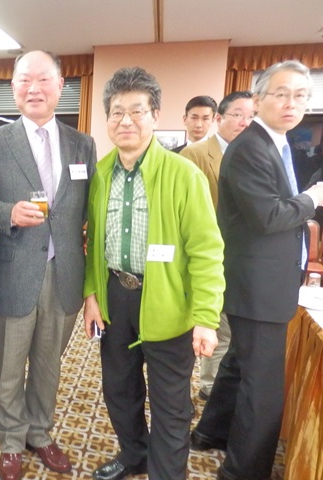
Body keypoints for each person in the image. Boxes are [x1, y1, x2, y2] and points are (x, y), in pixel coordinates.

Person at [82, 66, 225, 480]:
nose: (125, 120)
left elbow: (206, 251)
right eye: (116, 112)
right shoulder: (100, 174)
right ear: (107, 119)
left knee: (170, 404)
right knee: (119, 390)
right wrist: (91, 295)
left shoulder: (184, 174)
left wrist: (205, 317)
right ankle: (134, 455)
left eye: (137, 111)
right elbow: (93, 243)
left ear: (155, 116)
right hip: (115, 297)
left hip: (168, 299)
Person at [190, 60, 323, 480]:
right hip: (257, 285)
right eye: (281, 94)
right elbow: (268, 216)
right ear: (259, 99)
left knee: (238, 365)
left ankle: (210, 432)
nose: (291, 103)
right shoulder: (252, 147)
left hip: (263, 280)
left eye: (301, 96)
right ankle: (243, 471)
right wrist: (313, 198)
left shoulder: (276, 144)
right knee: (262, 386)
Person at [0, 50, 97, 480]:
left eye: (43, 80)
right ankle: (11, 439)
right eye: (24, 80)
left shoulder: (82, 144)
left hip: (65, 273)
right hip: (13, 270)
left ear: (60, 86)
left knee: (48, 364)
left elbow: (89, 209)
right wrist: (7, 212)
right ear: (13, 88)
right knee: (8, 364)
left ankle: (39, 432)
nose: (34, 89)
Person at [179, 90, 254, 400]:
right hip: (210, 254)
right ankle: (208, 389)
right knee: (211, 327)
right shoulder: (194, 154)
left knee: (233, 330)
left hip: (246, 257)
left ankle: (222, 387)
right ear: (220, 118)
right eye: (238, 115)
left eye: (251, 116)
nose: (244, 122)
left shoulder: (254, 154)